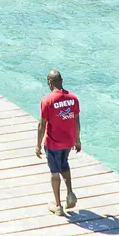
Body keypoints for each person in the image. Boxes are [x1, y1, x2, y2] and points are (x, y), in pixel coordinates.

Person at [35, 69, 82, 214]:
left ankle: (58, 205)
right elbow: (76, 121)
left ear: (49, 82)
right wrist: (78, 140)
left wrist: (38, 145)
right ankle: (70, 194)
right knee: (64, 164)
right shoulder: (73, 98)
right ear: (61, 81)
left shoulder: (47, 100)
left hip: (53, 143)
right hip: (68, 141)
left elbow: (42, 125)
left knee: (54, 172)